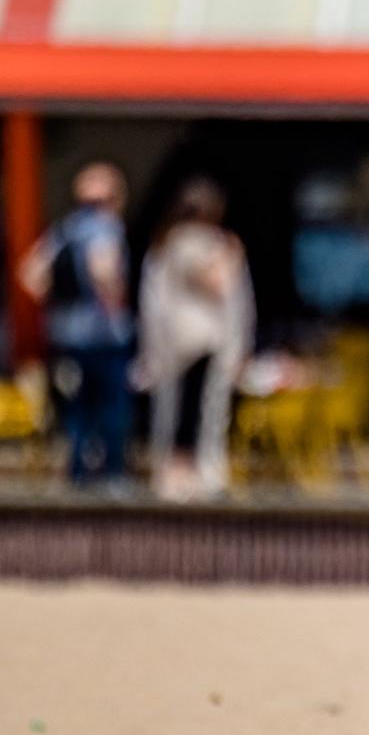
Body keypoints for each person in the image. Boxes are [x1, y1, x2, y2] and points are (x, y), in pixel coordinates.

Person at [138, 179, 254, 501]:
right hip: (194, 345)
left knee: (188, 413)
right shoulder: (187, 241)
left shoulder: (169, 242)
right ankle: (192, 478)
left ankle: (188, 476)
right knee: (194, 415)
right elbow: (214, 282)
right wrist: (231, 256)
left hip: (185, 344)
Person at [22, 163, 135, 487]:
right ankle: (113, 476)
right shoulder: (106, 228)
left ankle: (78, 475)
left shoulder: (65, 229)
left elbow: (30, 275)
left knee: (76, 410)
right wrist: (112, 305)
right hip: (103, 336)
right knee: (111, 408)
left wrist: (59, 300)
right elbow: (104, 271)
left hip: (65, 334)